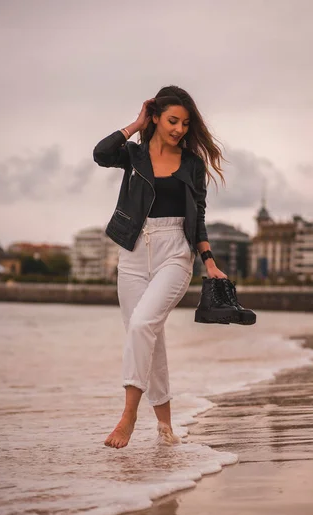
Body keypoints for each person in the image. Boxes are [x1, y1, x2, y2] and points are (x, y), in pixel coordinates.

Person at [93, 85, 227, 449]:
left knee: (141, 325)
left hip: (175, 253)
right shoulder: (133, 155)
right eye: (172, 120)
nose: (180, 129)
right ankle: (166, 428)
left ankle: (128, 415)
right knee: (149, 339)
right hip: (133, 251)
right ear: (155, 117)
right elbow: (101, 154)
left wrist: (209, 262)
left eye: (185, 123)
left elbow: (197, 216)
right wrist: (135, 124)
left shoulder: (192, 164)